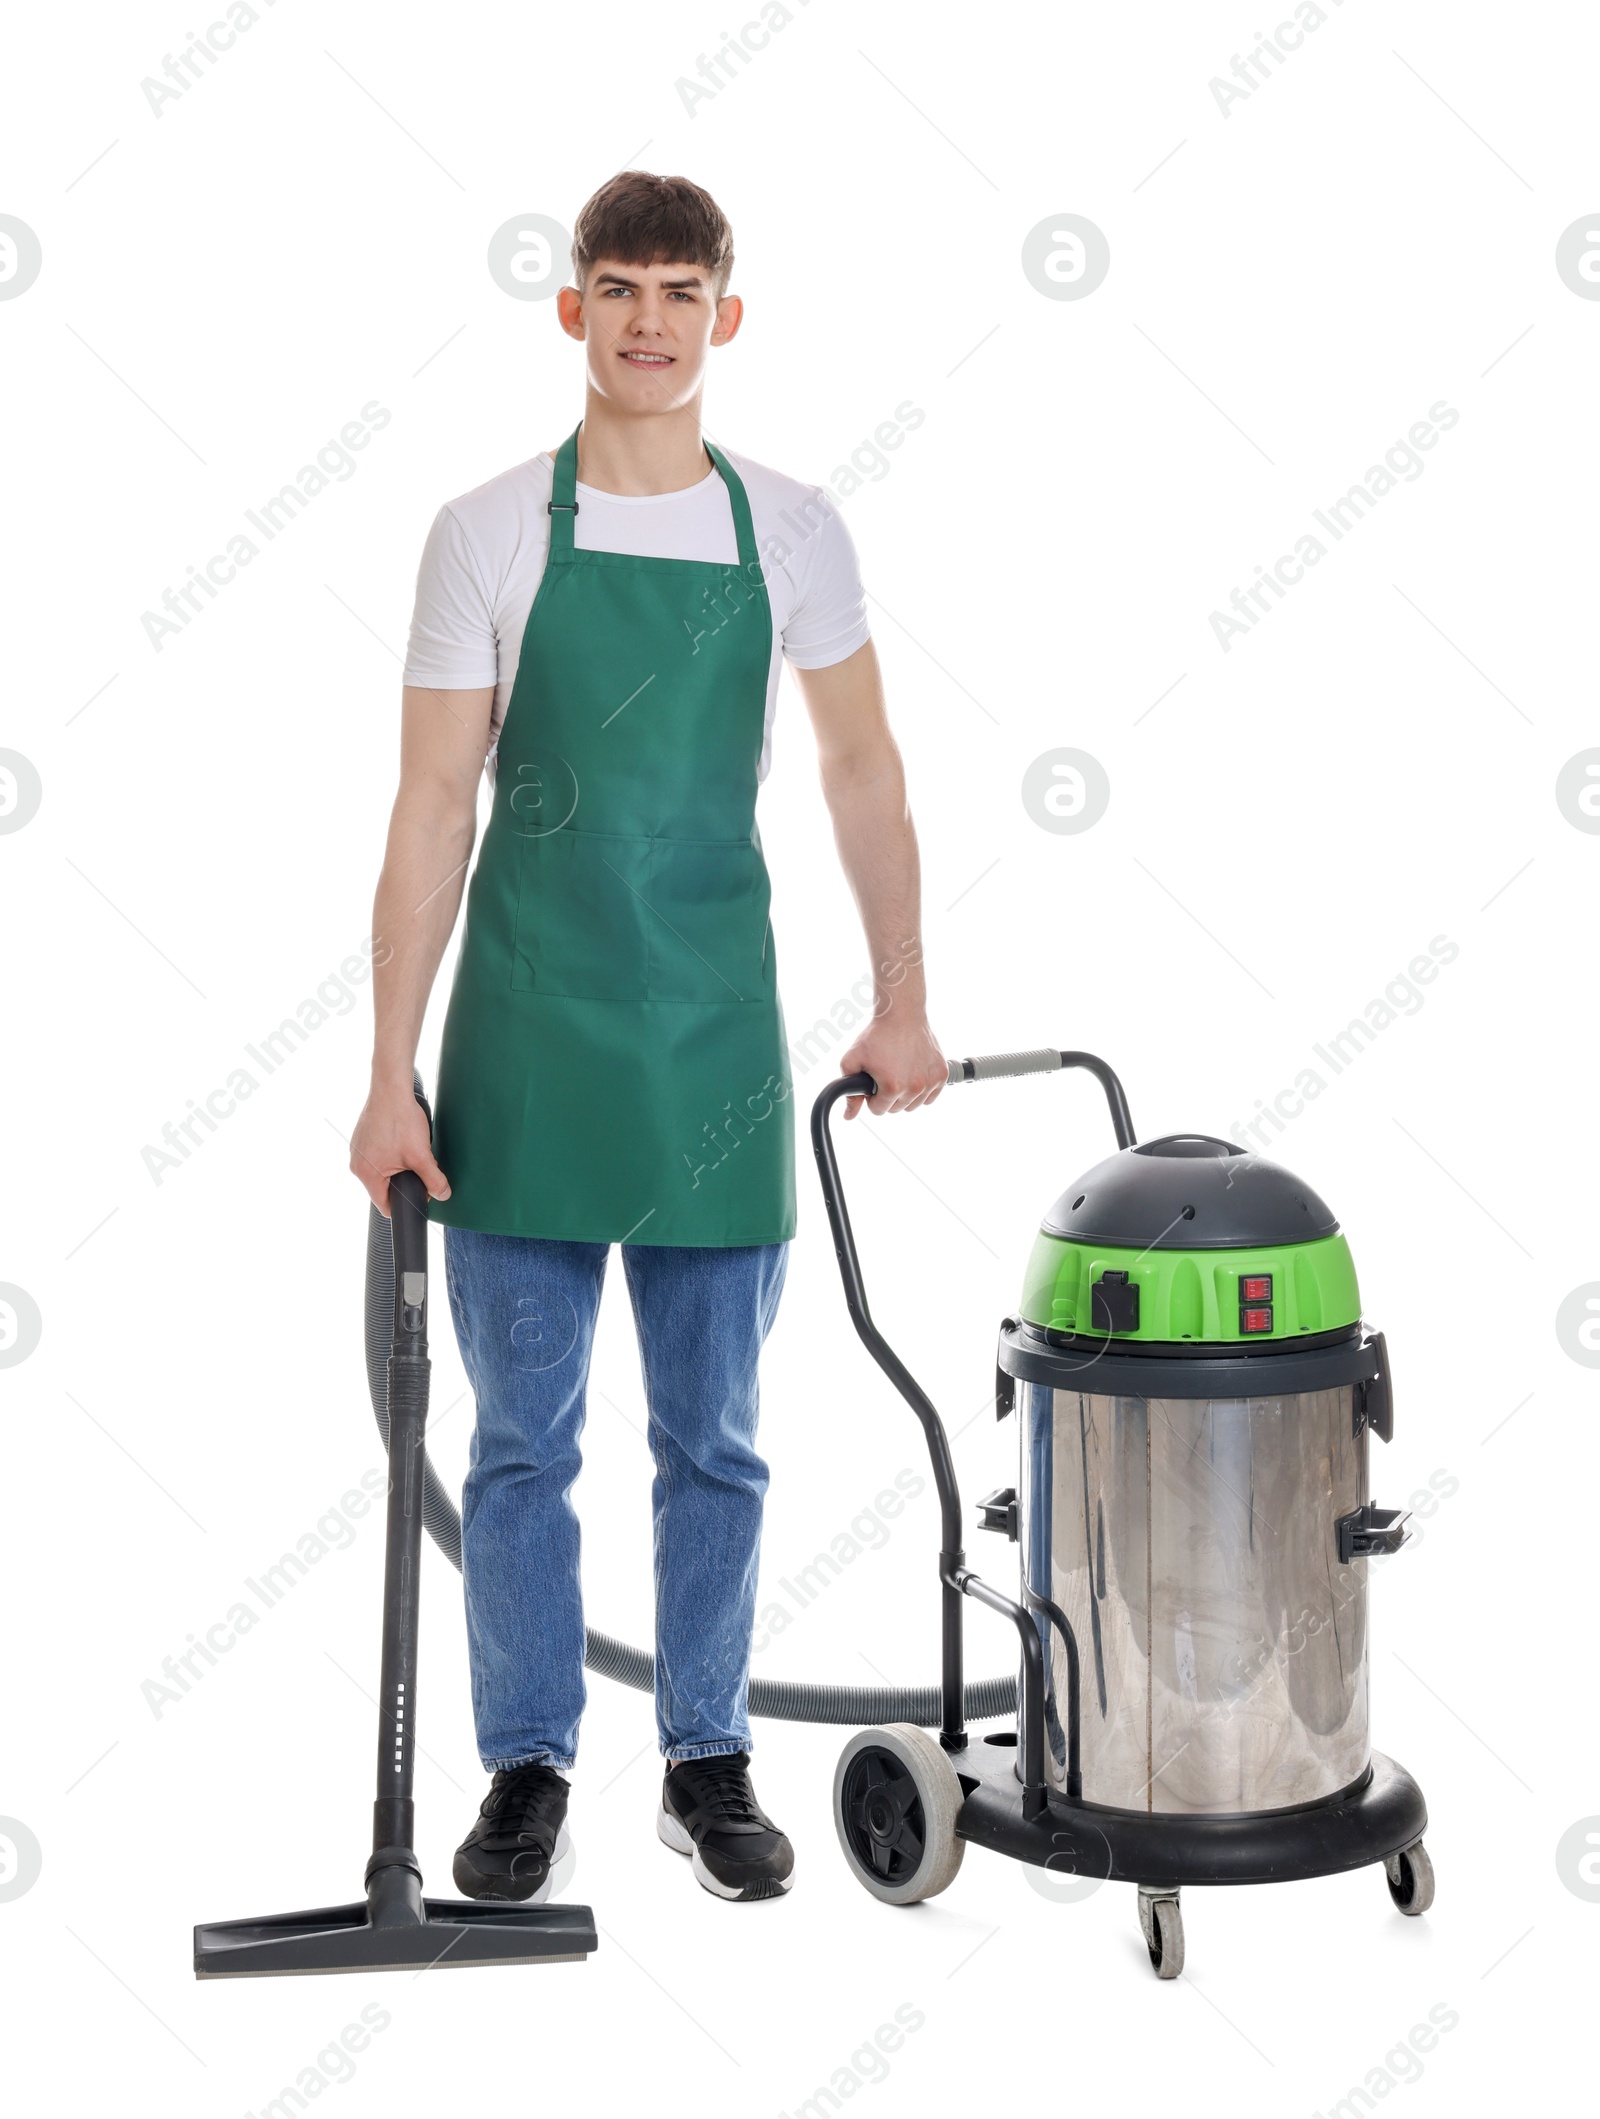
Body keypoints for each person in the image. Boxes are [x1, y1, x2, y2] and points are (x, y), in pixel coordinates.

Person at [349, 171, 945, 1906]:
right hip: (524, 1050)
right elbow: (433, 797)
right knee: (521, 1446)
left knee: (718, 1440)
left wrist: (903, 997)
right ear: (572, 309)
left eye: (682, 291)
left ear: (725, 318)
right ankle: (527, 1766)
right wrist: (387, 1069)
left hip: (713, 1053)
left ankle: (704, 1760)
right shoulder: (487, 531)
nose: (650, 321)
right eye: (619, 287)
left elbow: (861, 770)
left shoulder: (799, 531)